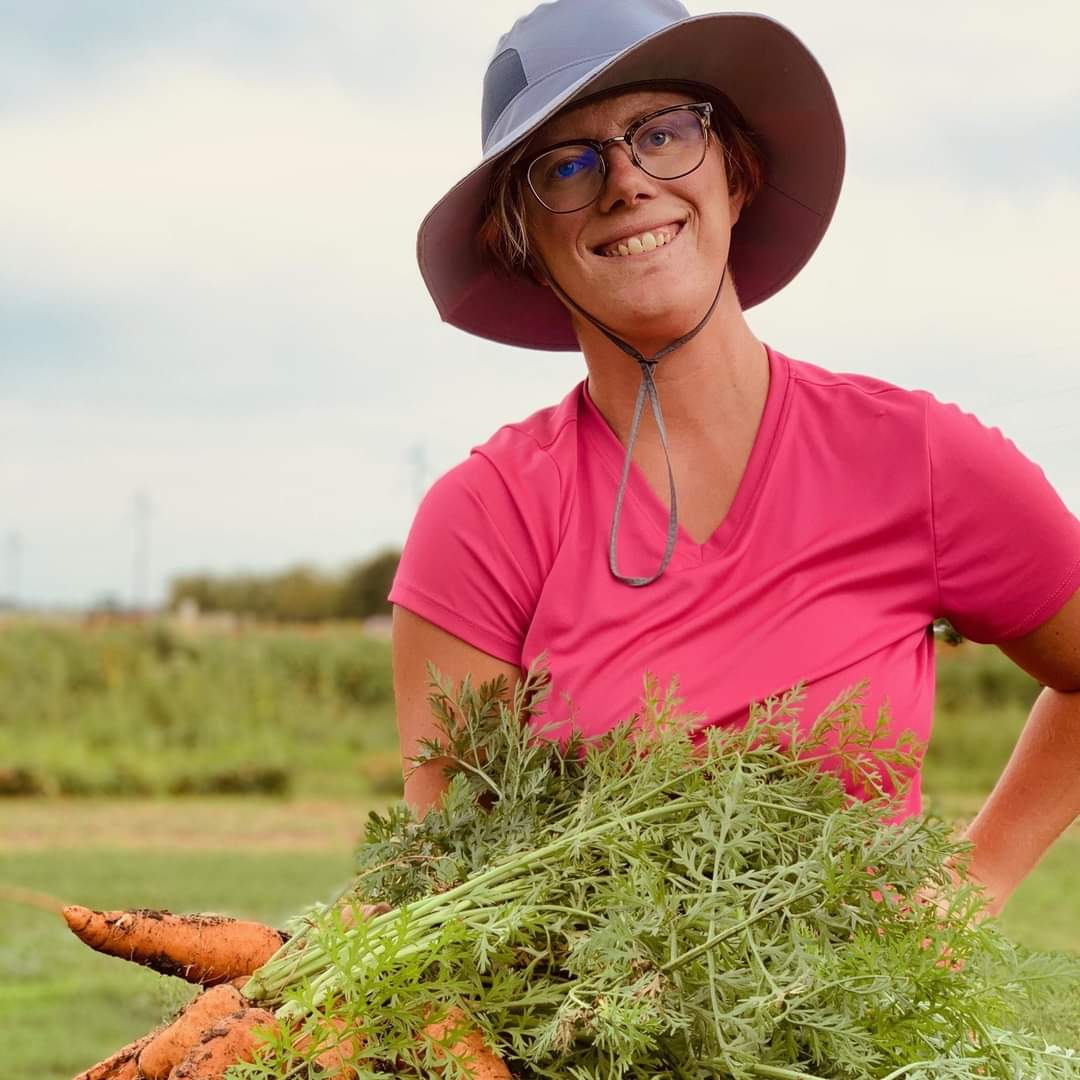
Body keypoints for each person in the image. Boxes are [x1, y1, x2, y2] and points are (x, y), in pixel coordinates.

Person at [390, 0, 1080, 917]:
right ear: (524, 244)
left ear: (735, 174)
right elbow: (452, 888)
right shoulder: (484, 516)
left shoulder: (912, 458)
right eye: (567, 162)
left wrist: (978, 876)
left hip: (866, 1049)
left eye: (664, 133)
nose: (627, 182)